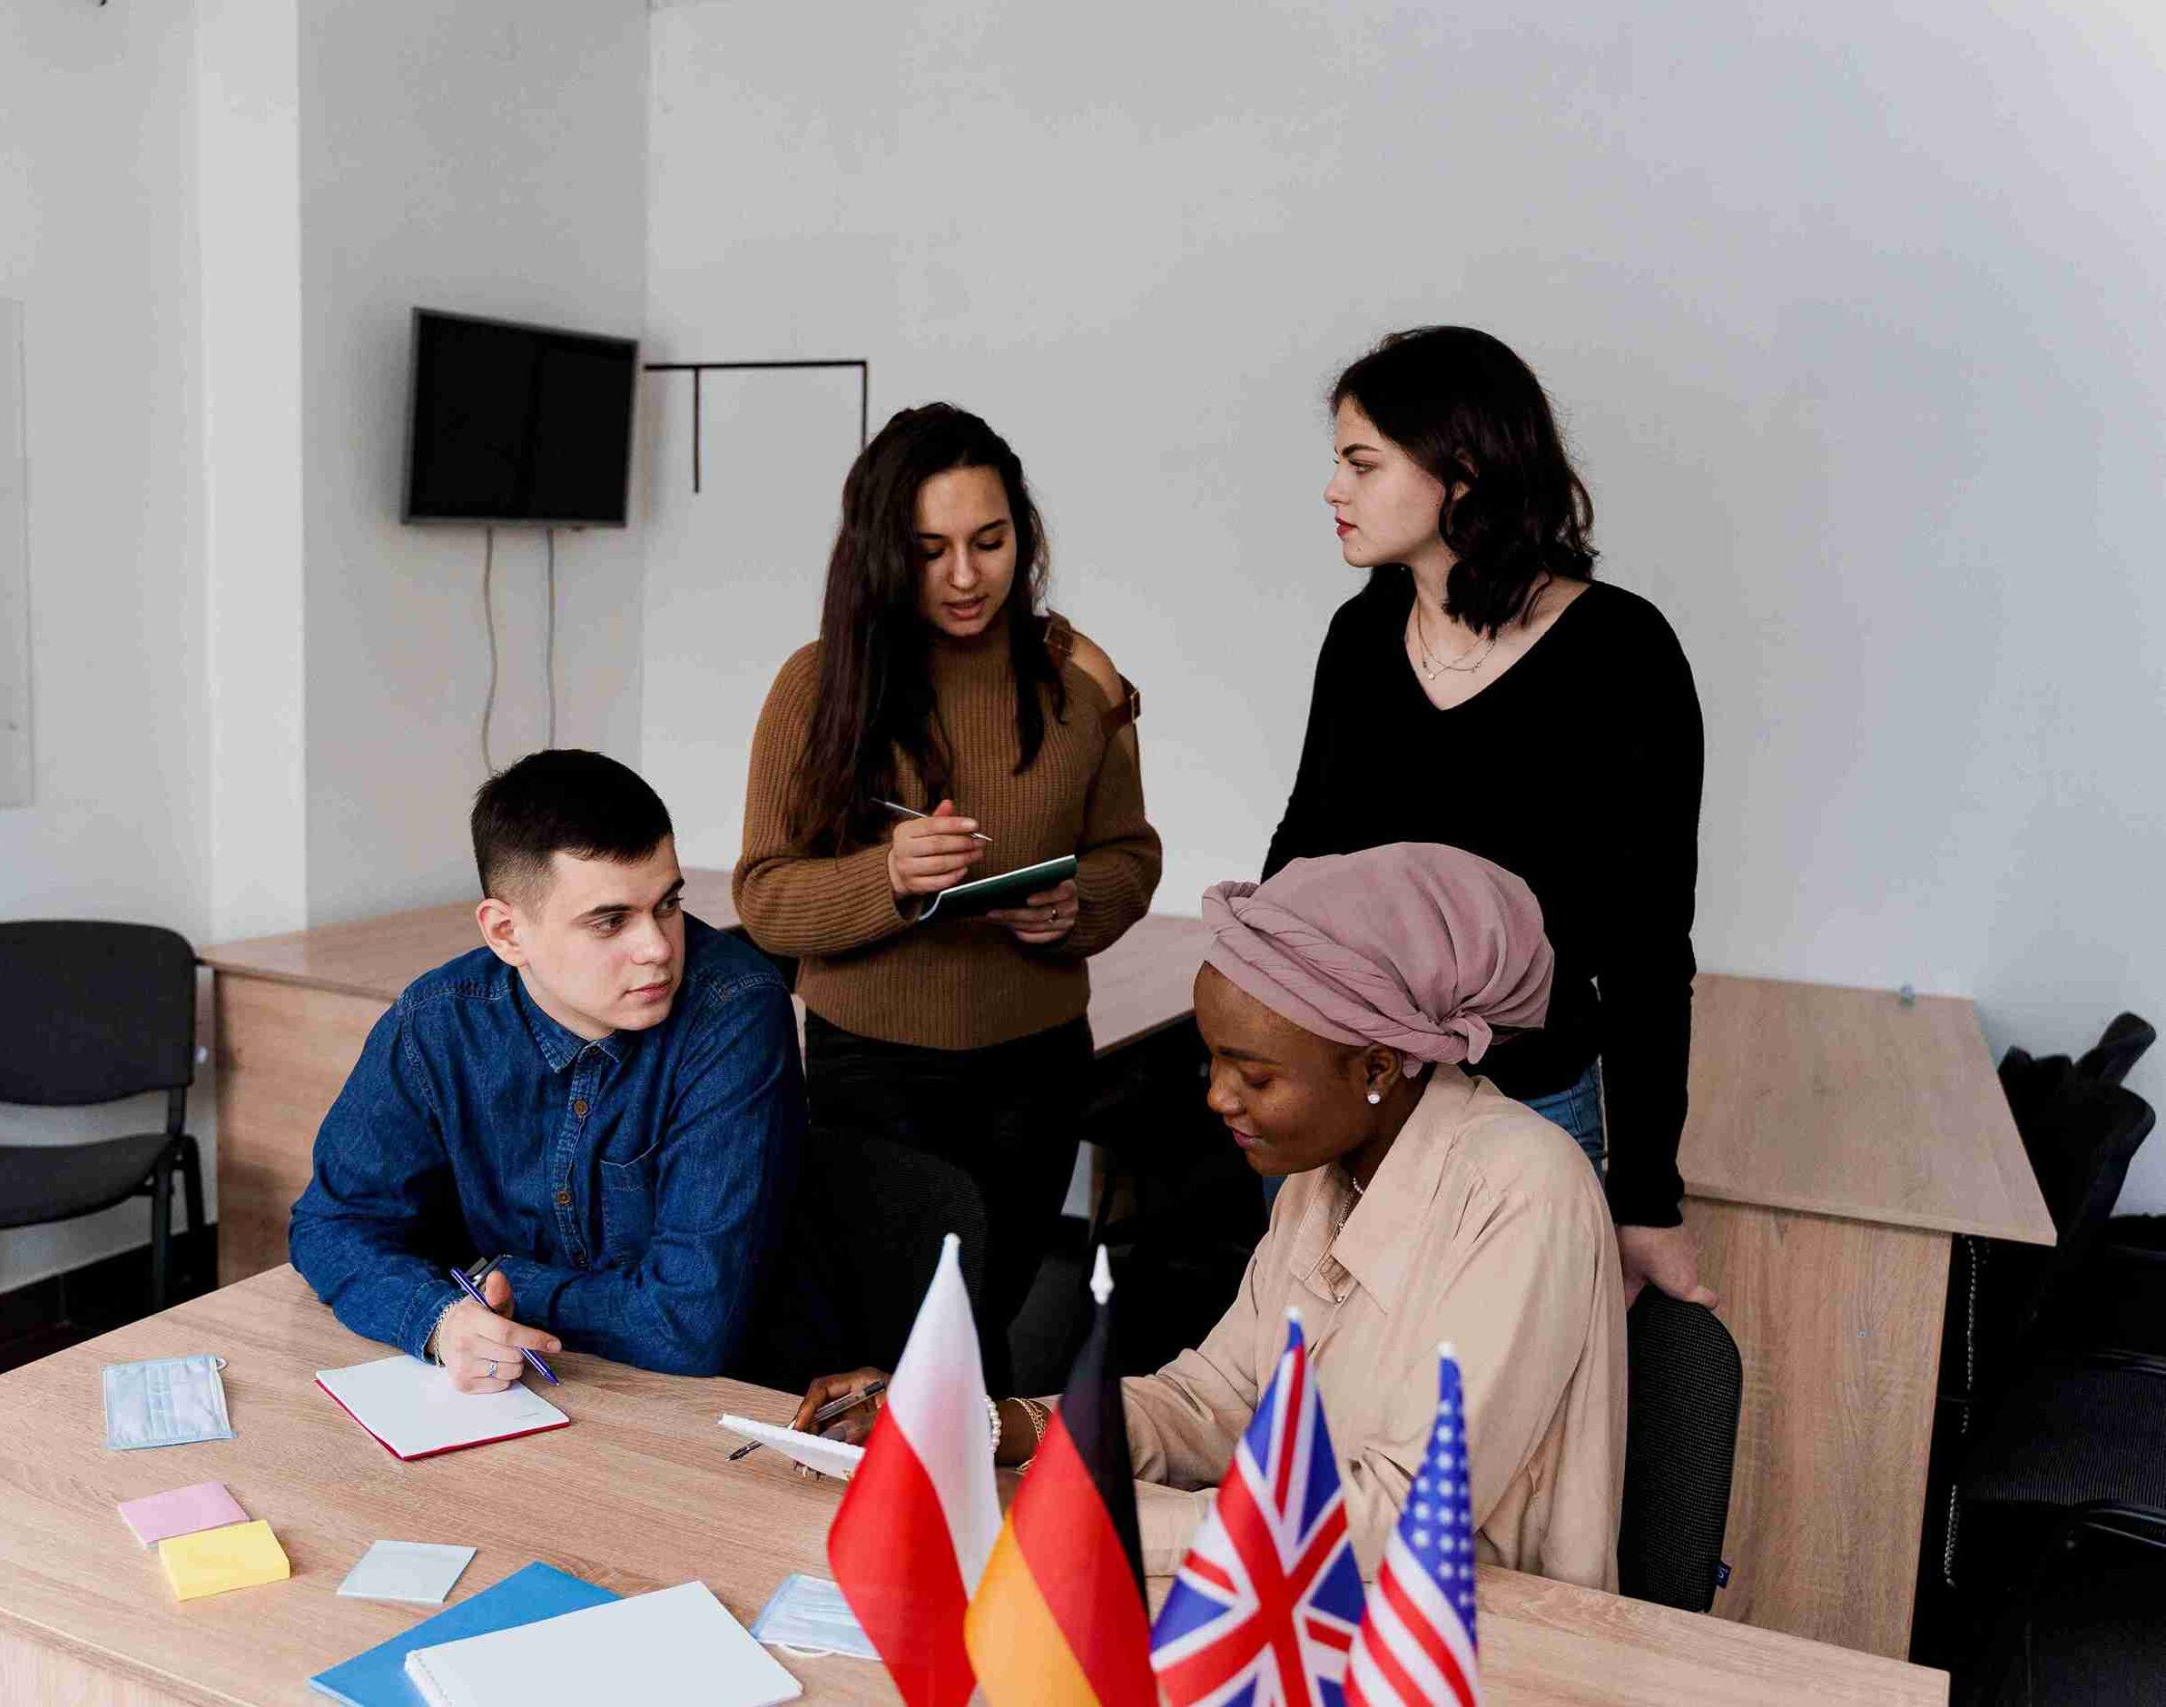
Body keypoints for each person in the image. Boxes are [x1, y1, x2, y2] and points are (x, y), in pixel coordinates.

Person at [791, 844, 1628, 1590]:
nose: (1218, 1096)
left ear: (1377, 1065)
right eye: (1214, 1058)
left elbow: (1399, 1519)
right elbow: (1216, 1402)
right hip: (1299, 1605)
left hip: (1479, 1645)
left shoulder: (1526, 1189)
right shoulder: (1325, 1173)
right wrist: (980, 1423)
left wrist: (1076, 1522)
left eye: (1254, 1075)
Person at [1266, 325, 1715, 1310]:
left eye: (1359, 463)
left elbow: (1645, 947)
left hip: (1528, 1114)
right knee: (1316, 1429)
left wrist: (1648, 1200)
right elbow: (1299, 862)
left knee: (1480, 1442)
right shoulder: (1360, 634)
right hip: (1350, 1103)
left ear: (1459, 471)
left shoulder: (1620, 652)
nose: (1333, 490)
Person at [733, 402, 1162, 1386]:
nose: (965, 576)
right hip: (873, 1076)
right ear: (883, 551)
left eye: (990, 541)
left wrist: (1074, 910)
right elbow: (765, 897)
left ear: (1024, 536)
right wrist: (884, 874)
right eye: (930, 549)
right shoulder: (817, 687)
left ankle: (969, 1521)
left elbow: (1129, 857)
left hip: (1036, 1072)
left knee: (982, 1334)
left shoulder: (1076, 680)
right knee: (890, 1346)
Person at [289, 749, 802, 1385]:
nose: (658, 948)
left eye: (667, 905)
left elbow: (691, 1328)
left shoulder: (734, 1010)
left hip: (692, 1406)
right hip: (515, 1396)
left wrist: (495, 1279)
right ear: (506, 933)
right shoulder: (438, 1020)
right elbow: (332, 1223)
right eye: (610, 921)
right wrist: (440, 1320)